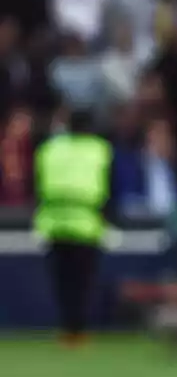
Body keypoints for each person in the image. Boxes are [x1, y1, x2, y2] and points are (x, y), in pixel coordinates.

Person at [33, 109, 115, 345]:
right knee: (82, 281)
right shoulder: (99, 150)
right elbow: (109, 186)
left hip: (54, 221)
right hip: (85, 223)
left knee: (62, 281)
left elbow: (37, 186)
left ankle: (68, 328)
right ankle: (77, 329)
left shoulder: (49, 150)